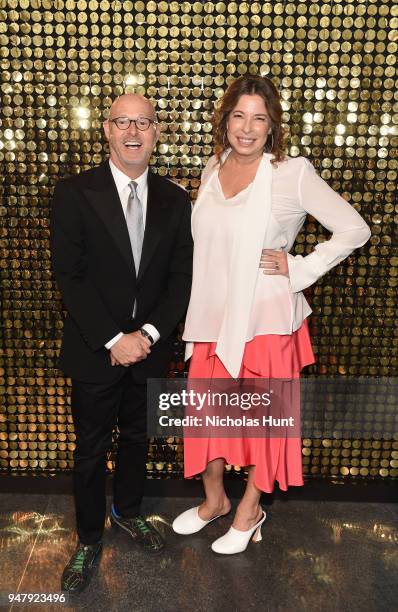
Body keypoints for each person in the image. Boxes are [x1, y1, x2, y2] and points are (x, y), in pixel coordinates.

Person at [172, 75, 371, 554]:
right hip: (212, 319)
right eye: (239, 115)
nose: (247, 127)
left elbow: (354, 229)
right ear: (225, 120)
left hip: (266, 320)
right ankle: (215, 501)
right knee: (209, 418)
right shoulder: (212, 166)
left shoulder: (291, 172)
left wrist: (300, 266)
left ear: (272, 126)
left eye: (259, 118)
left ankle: (250, 510)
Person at [51, 94, 193, 591]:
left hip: (150, 350)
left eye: (144, 122)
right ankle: (88, 539)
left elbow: (181, 278)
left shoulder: (176, 199)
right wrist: (115, 338)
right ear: (107, 130)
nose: (134, 131)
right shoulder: (73, 193)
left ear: (157, 132)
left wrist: (148, 335)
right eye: (123, 122)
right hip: (96, 348)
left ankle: (127, 512)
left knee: (138, 438)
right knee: (90, 449)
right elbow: (70, 276)